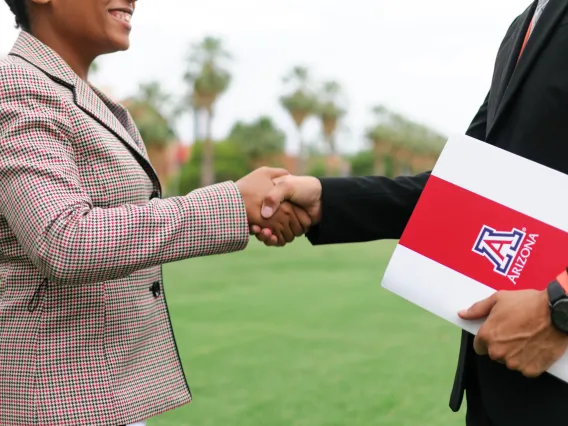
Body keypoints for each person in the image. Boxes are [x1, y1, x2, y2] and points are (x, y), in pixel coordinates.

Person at [253, 0, 568, 425]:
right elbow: (459, 189)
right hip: (506, 381)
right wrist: (325, 197)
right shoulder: (525, 24)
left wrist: (560, 304)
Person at [0, 1, 312, 425]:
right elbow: (65, 239)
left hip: (101, 390)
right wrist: (234, 203)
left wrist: (251, 204)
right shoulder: (16, 86)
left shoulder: (75, 95)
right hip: (54, 399)